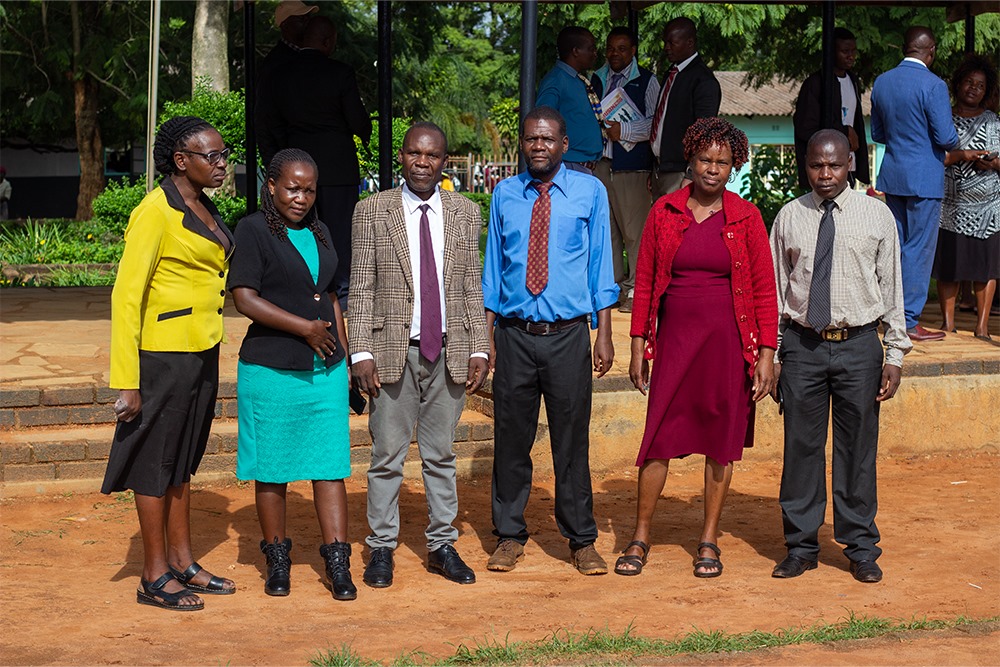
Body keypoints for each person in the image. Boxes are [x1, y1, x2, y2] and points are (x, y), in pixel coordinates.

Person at [616, 117, 777, 578]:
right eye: (705, 159)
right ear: (690, 158)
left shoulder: (746, 217)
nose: (712, 169)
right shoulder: (664, 211)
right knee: (658, 438)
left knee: (720, 443)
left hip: (727, 345)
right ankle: (640, 534)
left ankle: (708, 539)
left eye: (722, 162)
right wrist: (638, 345)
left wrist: (766, 355)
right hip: (675, 343)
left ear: (733, 166)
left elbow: (764, 291)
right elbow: (645, 281)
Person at [102, 116, 236, 611]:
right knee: (155, 463)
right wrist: (127, 380)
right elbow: (126, 297)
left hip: (201, 349)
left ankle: (182, 561)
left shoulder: (203, 205)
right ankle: (153, 573)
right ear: (181, 160)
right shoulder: (154, 212)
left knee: (181, 459)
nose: (222, 164)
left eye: (224, 155)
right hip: (161, 356)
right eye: (212, 156)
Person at [349, 123, 490, 588]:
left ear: (444, 161)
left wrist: (479, 345)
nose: (422, 163)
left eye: (432, 155)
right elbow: (361, 286)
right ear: (402, 157)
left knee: (441, 454)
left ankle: (441, 544)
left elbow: (471, 284)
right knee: (386, 454)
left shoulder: (466, 213)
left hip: (449, 349)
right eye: (414, 153)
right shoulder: (372, 210)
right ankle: (381, 547)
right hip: (392, 351)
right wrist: (361, 351)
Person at [770, 129, 912, 584]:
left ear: (850, 162)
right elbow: (776, 291)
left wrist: (894, 354)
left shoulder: (877, 215)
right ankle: (801, 546)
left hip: (859, 346)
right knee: (801, 448)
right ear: (805, 165)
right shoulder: (790, 216)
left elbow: (892, 288)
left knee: (857, 451)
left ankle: (861, 547)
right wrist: (773, 355)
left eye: (834, 165)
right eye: (816, 165)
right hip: (803, 346)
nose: (825, 174)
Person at [482, 106, 618, 576]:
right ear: (522, 144)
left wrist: (604, 333)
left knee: (571, 441)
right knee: (511, 439)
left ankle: (581, 540)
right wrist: (487, 335)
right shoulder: (505, 194)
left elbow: (600, 264)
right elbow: (493, 269)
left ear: (563, 144)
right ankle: (509, 535)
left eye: (547, 139)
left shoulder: (590, 191)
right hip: (514, 335)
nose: (538, 146)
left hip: (568, 336)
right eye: (530, 138)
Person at [228, 149, 355, 601]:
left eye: (309, 190)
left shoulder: (320, 231)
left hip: (325, 372)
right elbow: (244, 298)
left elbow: (331, 296)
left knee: (330, 466)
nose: (301, 198)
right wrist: (305, 329)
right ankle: (277, 559)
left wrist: (344, 356)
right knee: (273, 468)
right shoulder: (253, 229)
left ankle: (338, 562)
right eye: (292, 188)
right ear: (271, 186)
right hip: (271, 370)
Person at [258, 15, 371, 310]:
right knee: (340, 234)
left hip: (296, 167)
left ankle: (300, 290)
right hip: (337, 168)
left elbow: (270, 122)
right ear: (328, 41)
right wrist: (364, 131)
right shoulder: (340, 73)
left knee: (297, 228)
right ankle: (341, 296)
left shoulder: (281, 74)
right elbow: (358, 121)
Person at [870, 26, 959, 342]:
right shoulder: (934, 85)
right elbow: (947, 138)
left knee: (894, 247)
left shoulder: (882, 82)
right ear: (931, 50)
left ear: (904, 48)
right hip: (924, 179)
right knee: (918, 250)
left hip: (894, 176)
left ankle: (888, 315)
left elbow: (877, 134)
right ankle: (907, 321)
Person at [591, 27, 661, 314]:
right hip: (601, 165)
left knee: (635, 233)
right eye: (610, 48)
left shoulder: (647, 80)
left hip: (632, 167)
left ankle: (636, 290)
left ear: (633, 51)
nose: (614, 53)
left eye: (621, 48)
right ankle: (613, 289)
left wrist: (626, 130)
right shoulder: (596, 79)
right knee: (606, 232)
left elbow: (656, 122)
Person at [933, 55, 1000, 340]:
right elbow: (933, 157)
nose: (974, 88)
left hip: (988, 208)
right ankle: (948, 324)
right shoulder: (943, 117)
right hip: (949, 206)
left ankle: (982, 327)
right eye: (969, 82)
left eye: (981, 85)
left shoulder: (993, 121)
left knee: (986, 268)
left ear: (987, 91)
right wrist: (962, 156)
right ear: (958, 84)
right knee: (949, 267)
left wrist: (992, 163)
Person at [649, 17, 721, 199]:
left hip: (681, 173)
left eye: (672, 42)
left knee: (677, 217)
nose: (666, 47)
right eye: (665, 42)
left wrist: (690, 174)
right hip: (660, 169)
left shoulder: (703, 80)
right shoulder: (672, 73)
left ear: (689, 43)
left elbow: (705, 133)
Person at [793, 27, 870, 191]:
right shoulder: (816, 83)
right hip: (824, 168)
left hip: (849, 163)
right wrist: (844, 131)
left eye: (853, 51)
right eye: (845, 51)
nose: (851, 56)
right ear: (831, 52)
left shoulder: (853, 81)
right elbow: (805, 128)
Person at [255, 0, 317, 164]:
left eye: (308, 18)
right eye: (301, 19)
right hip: (289, 159)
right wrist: (276, 163)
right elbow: (265, 116)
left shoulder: (305, 58)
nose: (308, 23)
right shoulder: (276, 64)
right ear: (285, 25)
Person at [536, 27, 603, 173]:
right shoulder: (556, 80)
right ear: (576, 51)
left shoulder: (578, 79)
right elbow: (542, 124)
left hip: (584, 166)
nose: (595, 54)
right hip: (569, 166)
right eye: (591, 49)